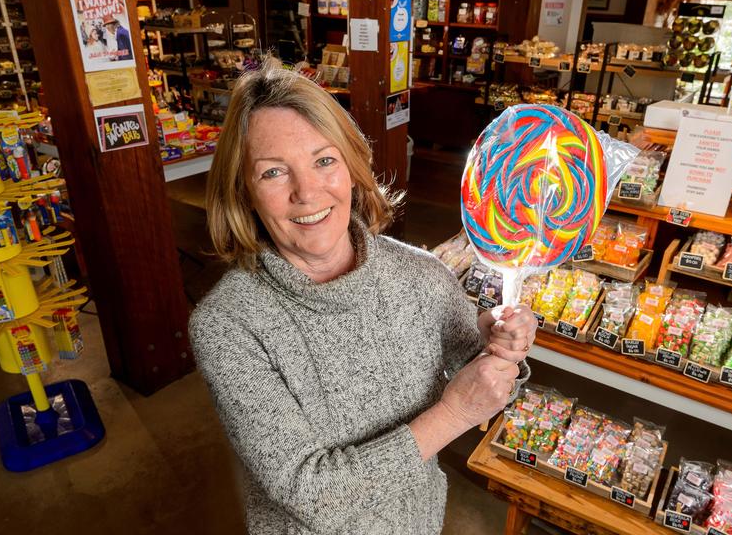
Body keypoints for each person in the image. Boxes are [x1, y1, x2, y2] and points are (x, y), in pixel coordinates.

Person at [189, 64, 537, 534]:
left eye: (324, 161)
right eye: (273, 172)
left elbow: (490, 381)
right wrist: (455, 413)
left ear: (352, 168)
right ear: (244, 192)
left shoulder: (424, 277)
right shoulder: (228, 326)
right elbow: (312, 495)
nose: (307, 193)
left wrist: (499, 344)